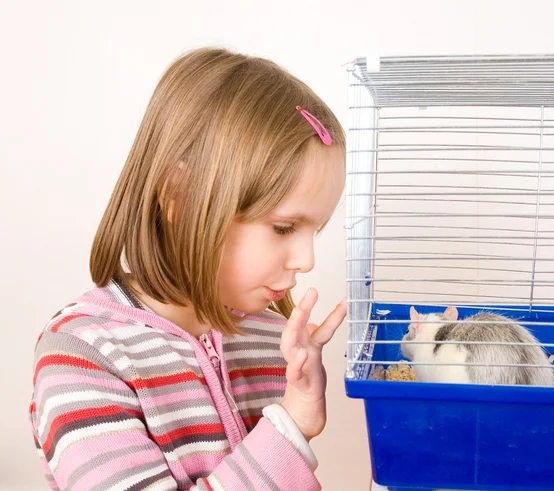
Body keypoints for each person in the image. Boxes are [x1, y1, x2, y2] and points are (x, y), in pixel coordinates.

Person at [29, 47, 346, 491]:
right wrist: (290, 428)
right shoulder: (85, 356)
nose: (307, 260)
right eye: (283, 226)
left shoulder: (270, 341)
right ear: (178, 195)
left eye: (316, 230)